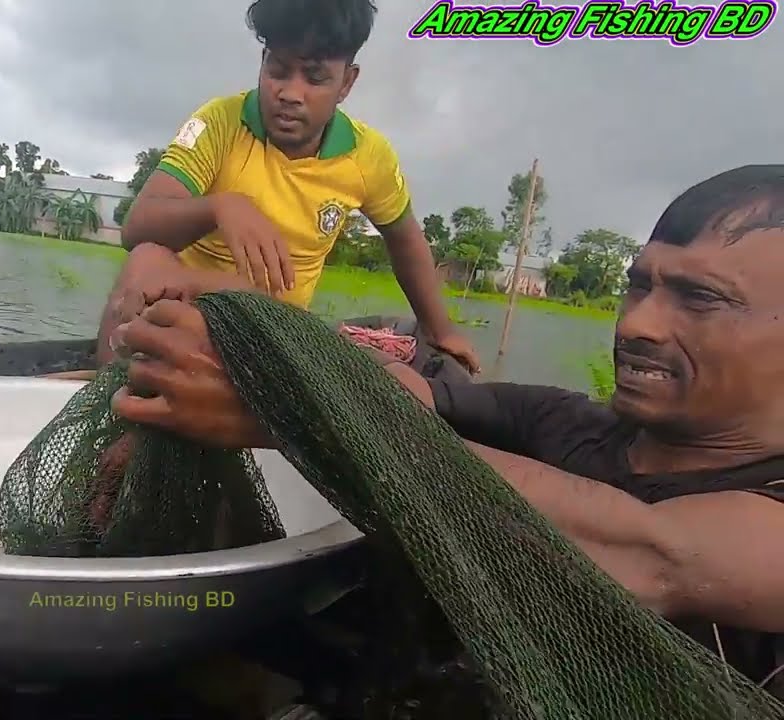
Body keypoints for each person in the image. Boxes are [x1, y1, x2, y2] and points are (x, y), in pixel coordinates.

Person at [106, 164, 784, 692]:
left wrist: (296, 411)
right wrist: (243, 337)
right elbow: (406, 393)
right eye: (641, 286)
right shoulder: (563, 422)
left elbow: (655, 556)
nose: (638, 323)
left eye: (700, 298)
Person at [97, 0, 480, 373]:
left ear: (347, 82)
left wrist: (441, 330)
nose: (291, 94)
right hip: (182, 307)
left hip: (277, 330)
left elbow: (405, 238)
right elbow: (139, 226)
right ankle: (109, 398)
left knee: (404, 385)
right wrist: (220, 207)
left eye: (314, 78)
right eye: (279, 70)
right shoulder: (220, 123)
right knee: (146, 258)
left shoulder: (369, 156)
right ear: (263, 61)